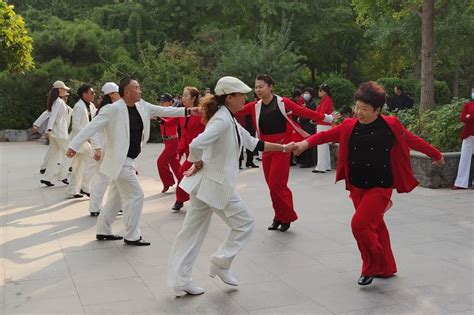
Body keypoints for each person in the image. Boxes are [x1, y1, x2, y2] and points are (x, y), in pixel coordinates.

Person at [292, 81, 445, 286]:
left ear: (378, 110)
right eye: (357, 107)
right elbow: (326, 135)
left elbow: (412, 139)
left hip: (380, 186)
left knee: (360, 225)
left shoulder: (390, 125)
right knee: (376, 226)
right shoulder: (348, 125)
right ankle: (386, 267)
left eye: (365, 109)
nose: (359, 112)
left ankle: (370, 266)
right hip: (357, 186)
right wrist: (305, 143)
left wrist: (436, 154)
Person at [168, 76, 296, 296]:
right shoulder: (222, 120)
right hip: (215, 185)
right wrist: (197, 161)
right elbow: (196, 144)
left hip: (205, 185)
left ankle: (181, 279)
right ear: (229, 98)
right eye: (241, 95)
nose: (245, 99)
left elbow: (252, 142)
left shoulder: (227, 117)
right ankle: (220, 263)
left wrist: (285, 148)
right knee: (245, 223)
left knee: (191, 233)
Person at [67, 78, 197, 246]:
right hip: (119, 161)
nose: (140, 90)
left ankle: (103, 230)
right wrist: (74, 145)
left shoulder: (142, 105)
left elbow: (164, 110)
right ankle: (132, 235)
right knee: (136, 195)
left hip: (129, 160)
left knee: (116, 198)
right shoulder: (112, 109)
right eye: (137, 88)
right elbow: (92, 127)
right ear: (127, 92)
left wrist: (189, 112)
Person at [235, 74, 336, 232]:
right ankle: (278, 216)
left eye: (261, 86)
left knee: (277, 184)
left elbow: (303, 112)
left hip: (283, 147)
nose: (258, 90)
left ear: (271, 87)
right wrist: (210, 108)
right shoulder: (255, 106)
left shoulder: (282, 102)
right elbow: (236, 110)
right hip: (267, 148)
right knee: (271, 186)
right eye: (256, 87)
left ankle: (287, 216)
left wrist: (326, 117)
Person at [88, 82, 121, 216]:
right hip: (103, 149)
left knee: (115, 179)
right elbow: (94, 130)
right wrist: (97, 148)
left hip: (110, 149)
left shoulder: (110, 107)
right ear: (112, 94)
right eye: (118, 92)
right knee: (102, 179)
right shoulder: (107, 109)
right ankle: (96, 207)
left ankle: (114, 206)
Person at [171, 87, 205, 211]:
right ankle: (192, 199)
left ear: (193, 98)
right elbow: (170, 121)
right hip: (186, 147)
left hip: (199, 150)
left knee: (182, 173)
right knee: (194, 175)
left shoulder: (202, 113)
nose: (182, 98)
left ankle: (180, 200)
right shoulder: (182, 112)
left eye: (185, 95)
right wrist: (160, 120)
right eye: (182, 95)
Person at [66, 84, 97, 198]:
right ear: (84, 94)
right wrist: (87, 136)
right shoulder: (79, 106)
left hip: (86, 140)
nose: (94, 95)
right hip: (81, 141)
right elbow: (76, 126)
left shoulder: (91, 105)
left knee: (79, 166)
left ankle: (73, 190)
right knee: (92, 161)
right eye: (92, 93)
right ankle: (84, 187)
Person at [40, 80, 72, 187]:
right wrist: (48, 129)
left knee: (53, 156)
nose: (66, 91)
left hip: (56, 134)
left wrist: (49, 130)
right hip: (59, 134)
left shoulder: (58, 101)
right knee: (69, 155)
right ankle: (63, 176)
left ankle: (46, 178)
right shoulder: (58, 102)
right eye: (64, 89)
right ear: (59, 89)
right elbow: (52, 116)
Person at [156, 93, 181, 193]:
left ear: (170, 102)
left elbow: (170, 122)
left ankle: (168, 183)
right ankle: (183, 181)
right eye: (160, 102)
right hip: (166, 141)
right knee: (174, 163)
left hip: (173, 142)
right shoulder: (161, 111)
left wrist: (160, 119)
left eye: (163, 101)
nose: (161, 103)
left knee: (161, 162)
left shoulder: (174, 112)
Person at [452, 92, 474, 189]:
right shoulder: (468, 105)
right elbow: (462, 118)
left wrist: (469, 116)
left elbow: (467, 117)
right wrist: (468, 117)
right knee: (464, 157)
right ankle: (460, 182)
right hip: (468, 133)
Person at [313, 84, 335, 174]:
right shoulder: (326, 100)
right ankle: (326, 166)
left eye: (320, 90)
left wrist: (314, 118)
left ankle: (321, 167)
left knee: (321, 146)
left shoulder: (326, 100)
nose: (319, 92)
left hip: (323, 124)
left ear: (325, 91)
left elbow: (321, 113)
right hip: (325, 124)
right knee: (324, 146)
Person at [297, 87, 317, 168]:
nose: (305, 94)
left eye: (307, 93)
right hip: (305, 126)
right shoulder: (307, 103)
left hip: (309, 126)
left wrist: (300, 119)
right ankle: (305, 161)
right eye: (305, 93)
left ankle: (309, 162)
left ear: (311, 95)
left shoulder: (312, 104)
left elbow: (309, 115)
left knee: (308, 144)